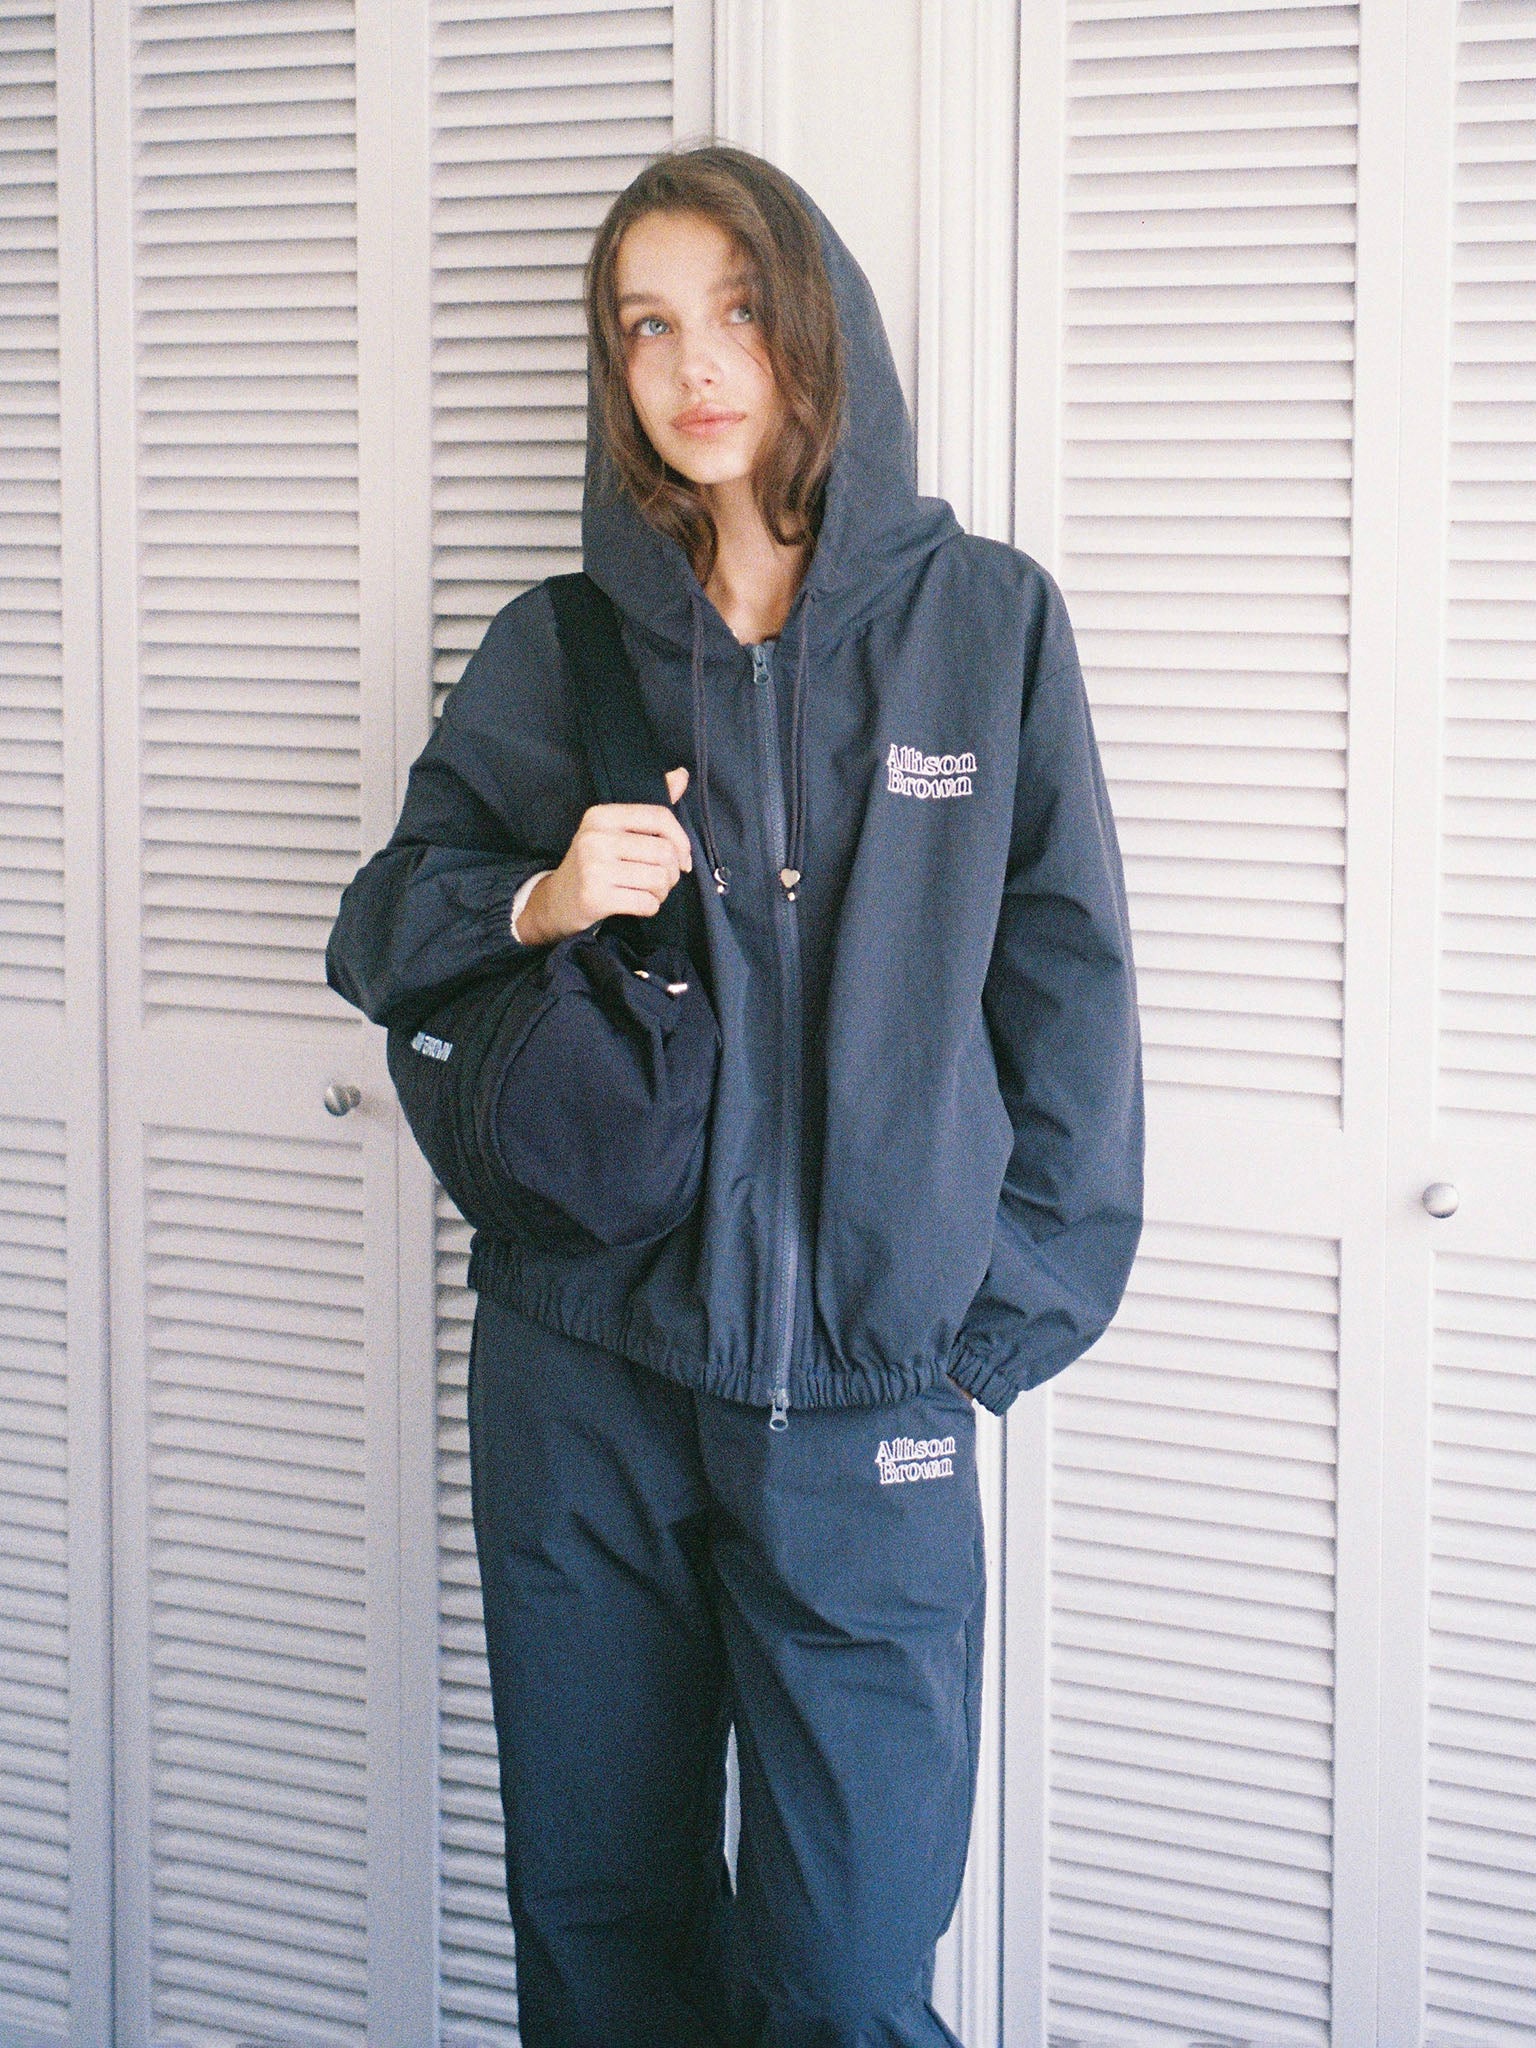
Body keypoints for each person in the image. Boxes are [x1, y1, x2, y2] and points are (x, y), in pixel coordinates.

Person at [327, 142, 1143, 2048]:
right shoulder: (563, 643)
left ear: (818, 325)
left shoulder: (987, 627)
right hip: (586, 1378)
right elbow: (384, 926)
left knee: (846, 1979)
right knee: (603, 1934)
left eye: (740, 310)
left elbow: (1072, 996)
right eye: (648, 327)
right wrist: (544, 895)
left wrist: (979, 1329)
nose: (697, 365)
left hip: (869, 1404)